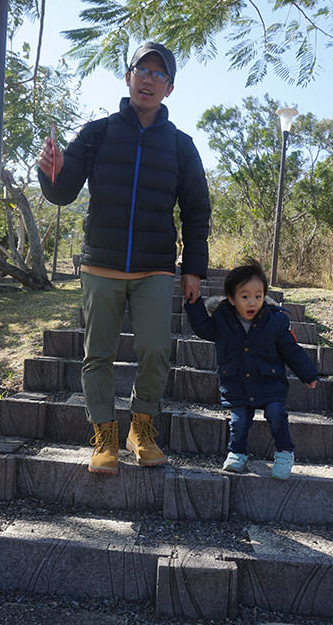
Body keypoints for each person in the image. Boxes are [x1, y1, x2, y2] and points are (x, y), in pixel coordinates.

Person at [37, 41, 211, 474]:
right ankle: (104, 437)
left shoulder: (181, 146)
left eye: (158, 74)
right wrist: (50, 170)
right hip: (101, 264)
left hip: (154, 266)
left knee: (155, 349)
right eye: (142, 70)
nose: (149, 79)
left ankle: (141, 427)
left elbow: (196, 209)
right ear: (128, 77)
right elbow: (63, 192)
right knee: (98, 353)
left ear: (169, 88)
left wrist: (193, 269)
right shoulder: (96, 134)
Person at [184, 259, 318, 479]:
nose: (252, 302)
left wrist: (308, 373)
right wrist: (194, 304)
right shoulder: (222, 320)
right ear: (231, 298)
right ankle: (237, 453)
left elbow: (291, 350)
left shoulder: (275, 321)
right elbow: (202, 329)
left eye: (258, 296)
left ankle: (284, 452)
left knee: (276, 414)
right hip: (237, 382)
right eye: (245, 296)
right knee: (240, 419)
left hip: (270, 381)